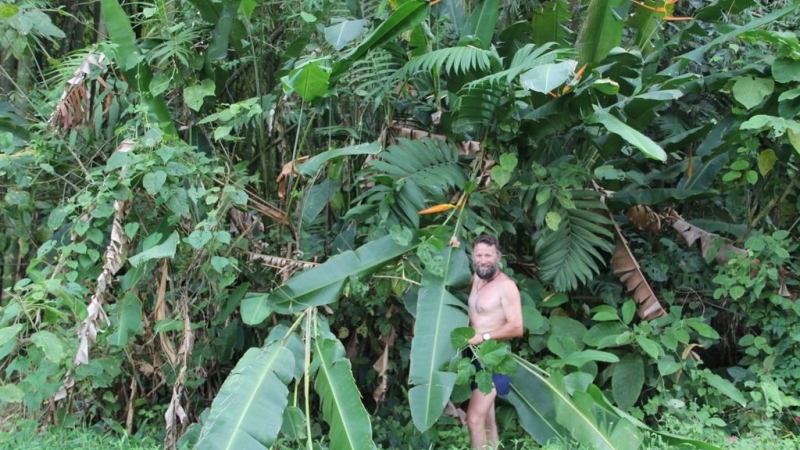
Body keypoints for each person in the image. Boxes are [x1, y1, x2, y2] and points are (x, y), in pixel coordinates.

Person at [465, 234, 523, 450]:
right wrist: (452, 248)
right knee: (487, 419)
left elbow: (517, 327)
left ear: (498, 257)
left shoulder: (506, 286)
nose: (483, 260)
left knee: (473, 420)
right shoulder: (477, 278)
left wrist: (484, 337)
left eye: (488, 255)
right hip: (473, 356)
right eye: (479, 255)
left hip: (492, 358)